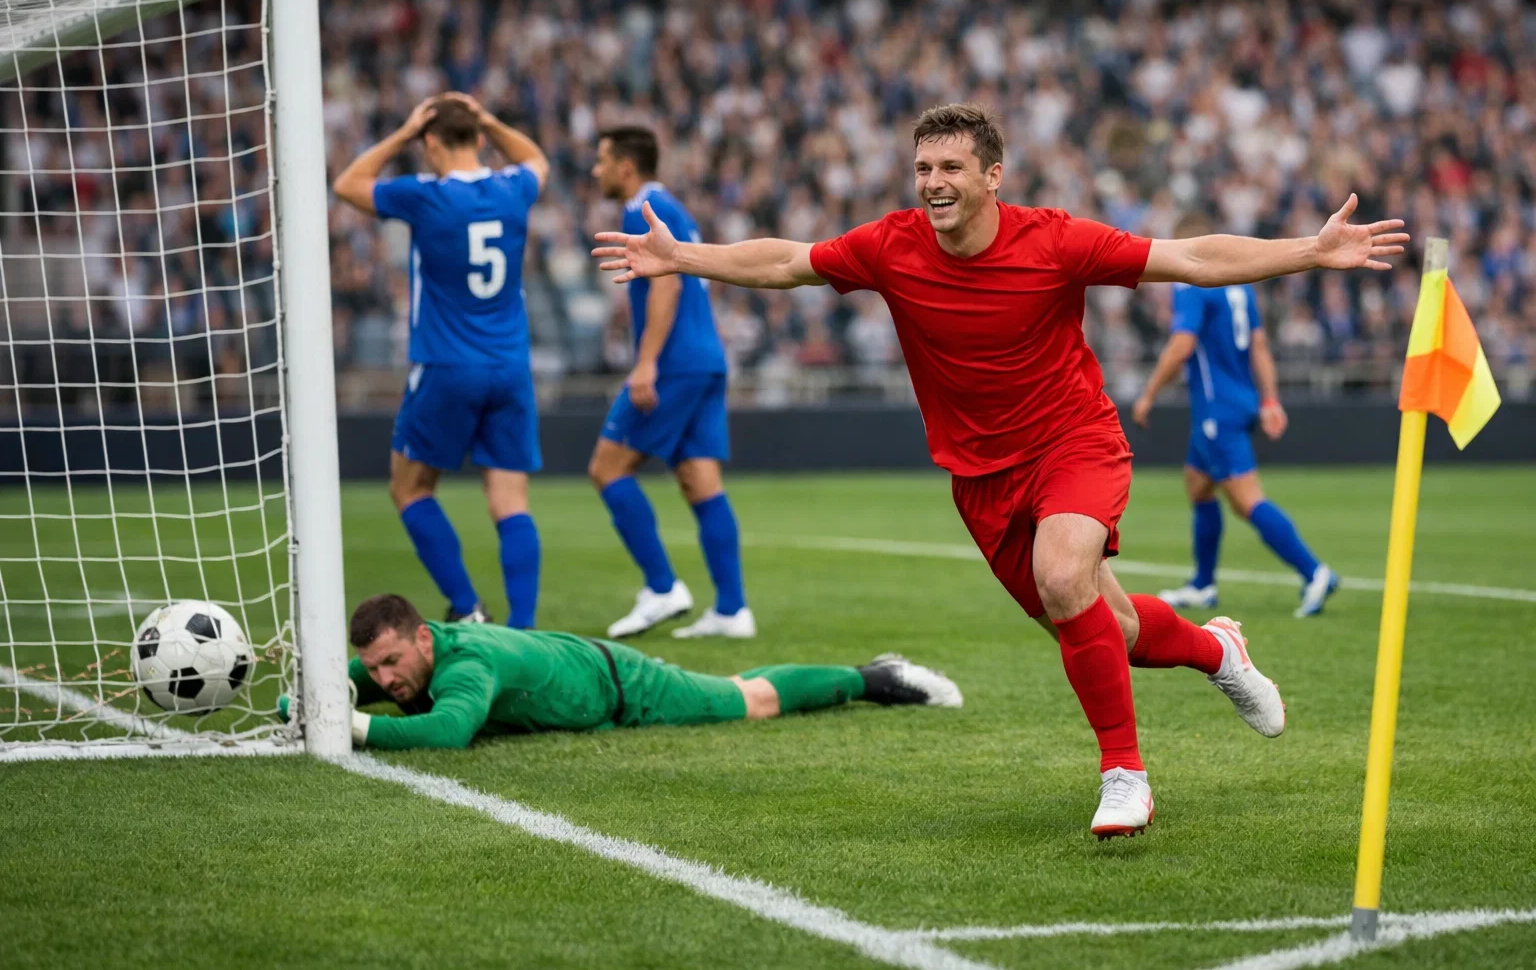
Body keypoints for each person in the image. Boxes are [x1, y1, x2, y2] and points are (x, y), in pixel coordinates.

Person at [592, 103, 1409, 838]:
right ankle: (1215, 651)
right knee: (1105, 626)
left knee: (1063, 578)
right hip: (981, 478)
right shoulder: (889, 245)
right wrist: (683, 256)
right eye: (922, 168)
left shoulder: (1054, 240)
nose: (933, 183)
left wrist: (1309, 250)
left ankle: (1125, 777)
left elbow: (1189, 257)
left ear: (992, 176)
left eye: (950, 168)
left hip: (1074, 442)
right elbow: (785, 264)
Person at [333, 93, 548, 629]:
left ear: (430, 142)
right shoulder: (512, 188)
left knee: (409, 488)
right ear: (478, 137)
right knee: (510, 502)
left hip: (446, 364)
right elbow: (538, 160)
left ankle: (468, 606)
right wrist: (492, 119)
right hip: (510, 366)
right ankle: (523, 631)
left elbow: (347, 185)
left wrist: (403, 133)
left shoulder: (424, 196)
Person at [307, 593, 960, 750]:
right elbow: (340, 686)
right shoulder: (408, 656)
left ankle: (875, 678)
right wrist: (308, 704)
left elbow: (449, 732)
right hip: (579, 663)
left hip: (622, 685)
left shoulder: (466, 664)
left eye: (393, 663)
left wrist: (356, 726)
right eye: (376, 668)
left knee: (750, 697)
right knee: (744, 688)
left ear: (423, 639)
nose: (385, 679)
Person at [588, 127, 752, 641]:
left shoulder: (643, 208)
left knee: (606, 468)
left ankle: (661, 587)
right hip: (705, 358)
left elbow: (668, 282)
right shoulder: (672, 205)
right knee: (699, 481)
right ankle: (732, 610)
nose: (596, 171)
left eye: (602, 161)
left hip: (676, 361)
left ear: (626, 167)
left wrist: (646, 362)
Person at [1132, 213, 1338, 618]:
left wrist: (1149, 393)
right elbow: (1259, 345)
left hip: (1217, 409)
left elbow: (1181, 345)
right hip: (1240, 400)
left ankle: (1314, 572)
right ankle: (1203, 584)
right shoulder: (1239, 285)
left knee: (1246, 500)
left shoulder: (1192, 281)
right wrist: (1269, 400)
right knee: (1198, 484)